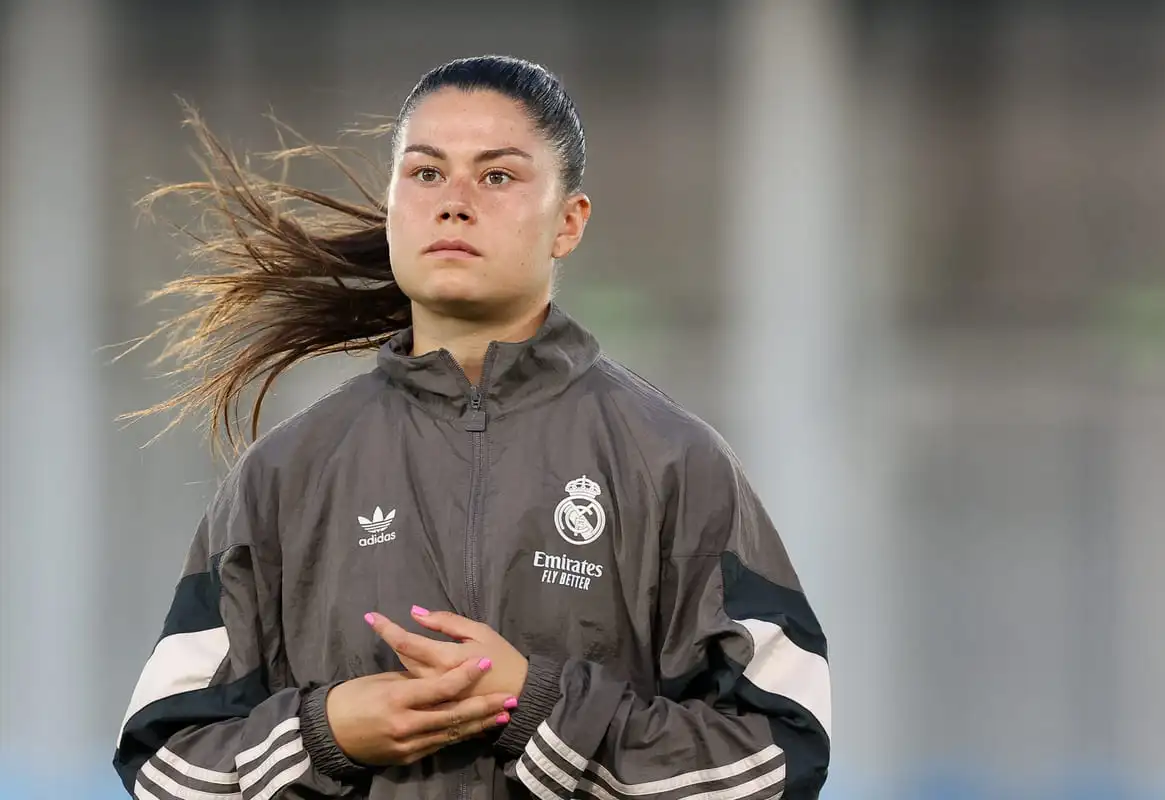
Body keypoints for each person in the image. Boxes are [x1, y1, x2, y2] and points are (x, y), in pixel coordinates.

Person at [112, 55, 831, 800]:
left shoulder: (675, 461)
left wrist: (543, 709)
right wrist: (323, 734)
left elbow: (780, 757)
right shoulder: (284, 472)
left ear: (569, 222)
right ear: (394, 204)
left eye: (497, 177)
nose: (454, 202)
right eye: (425, 174)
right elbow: (165, 765)